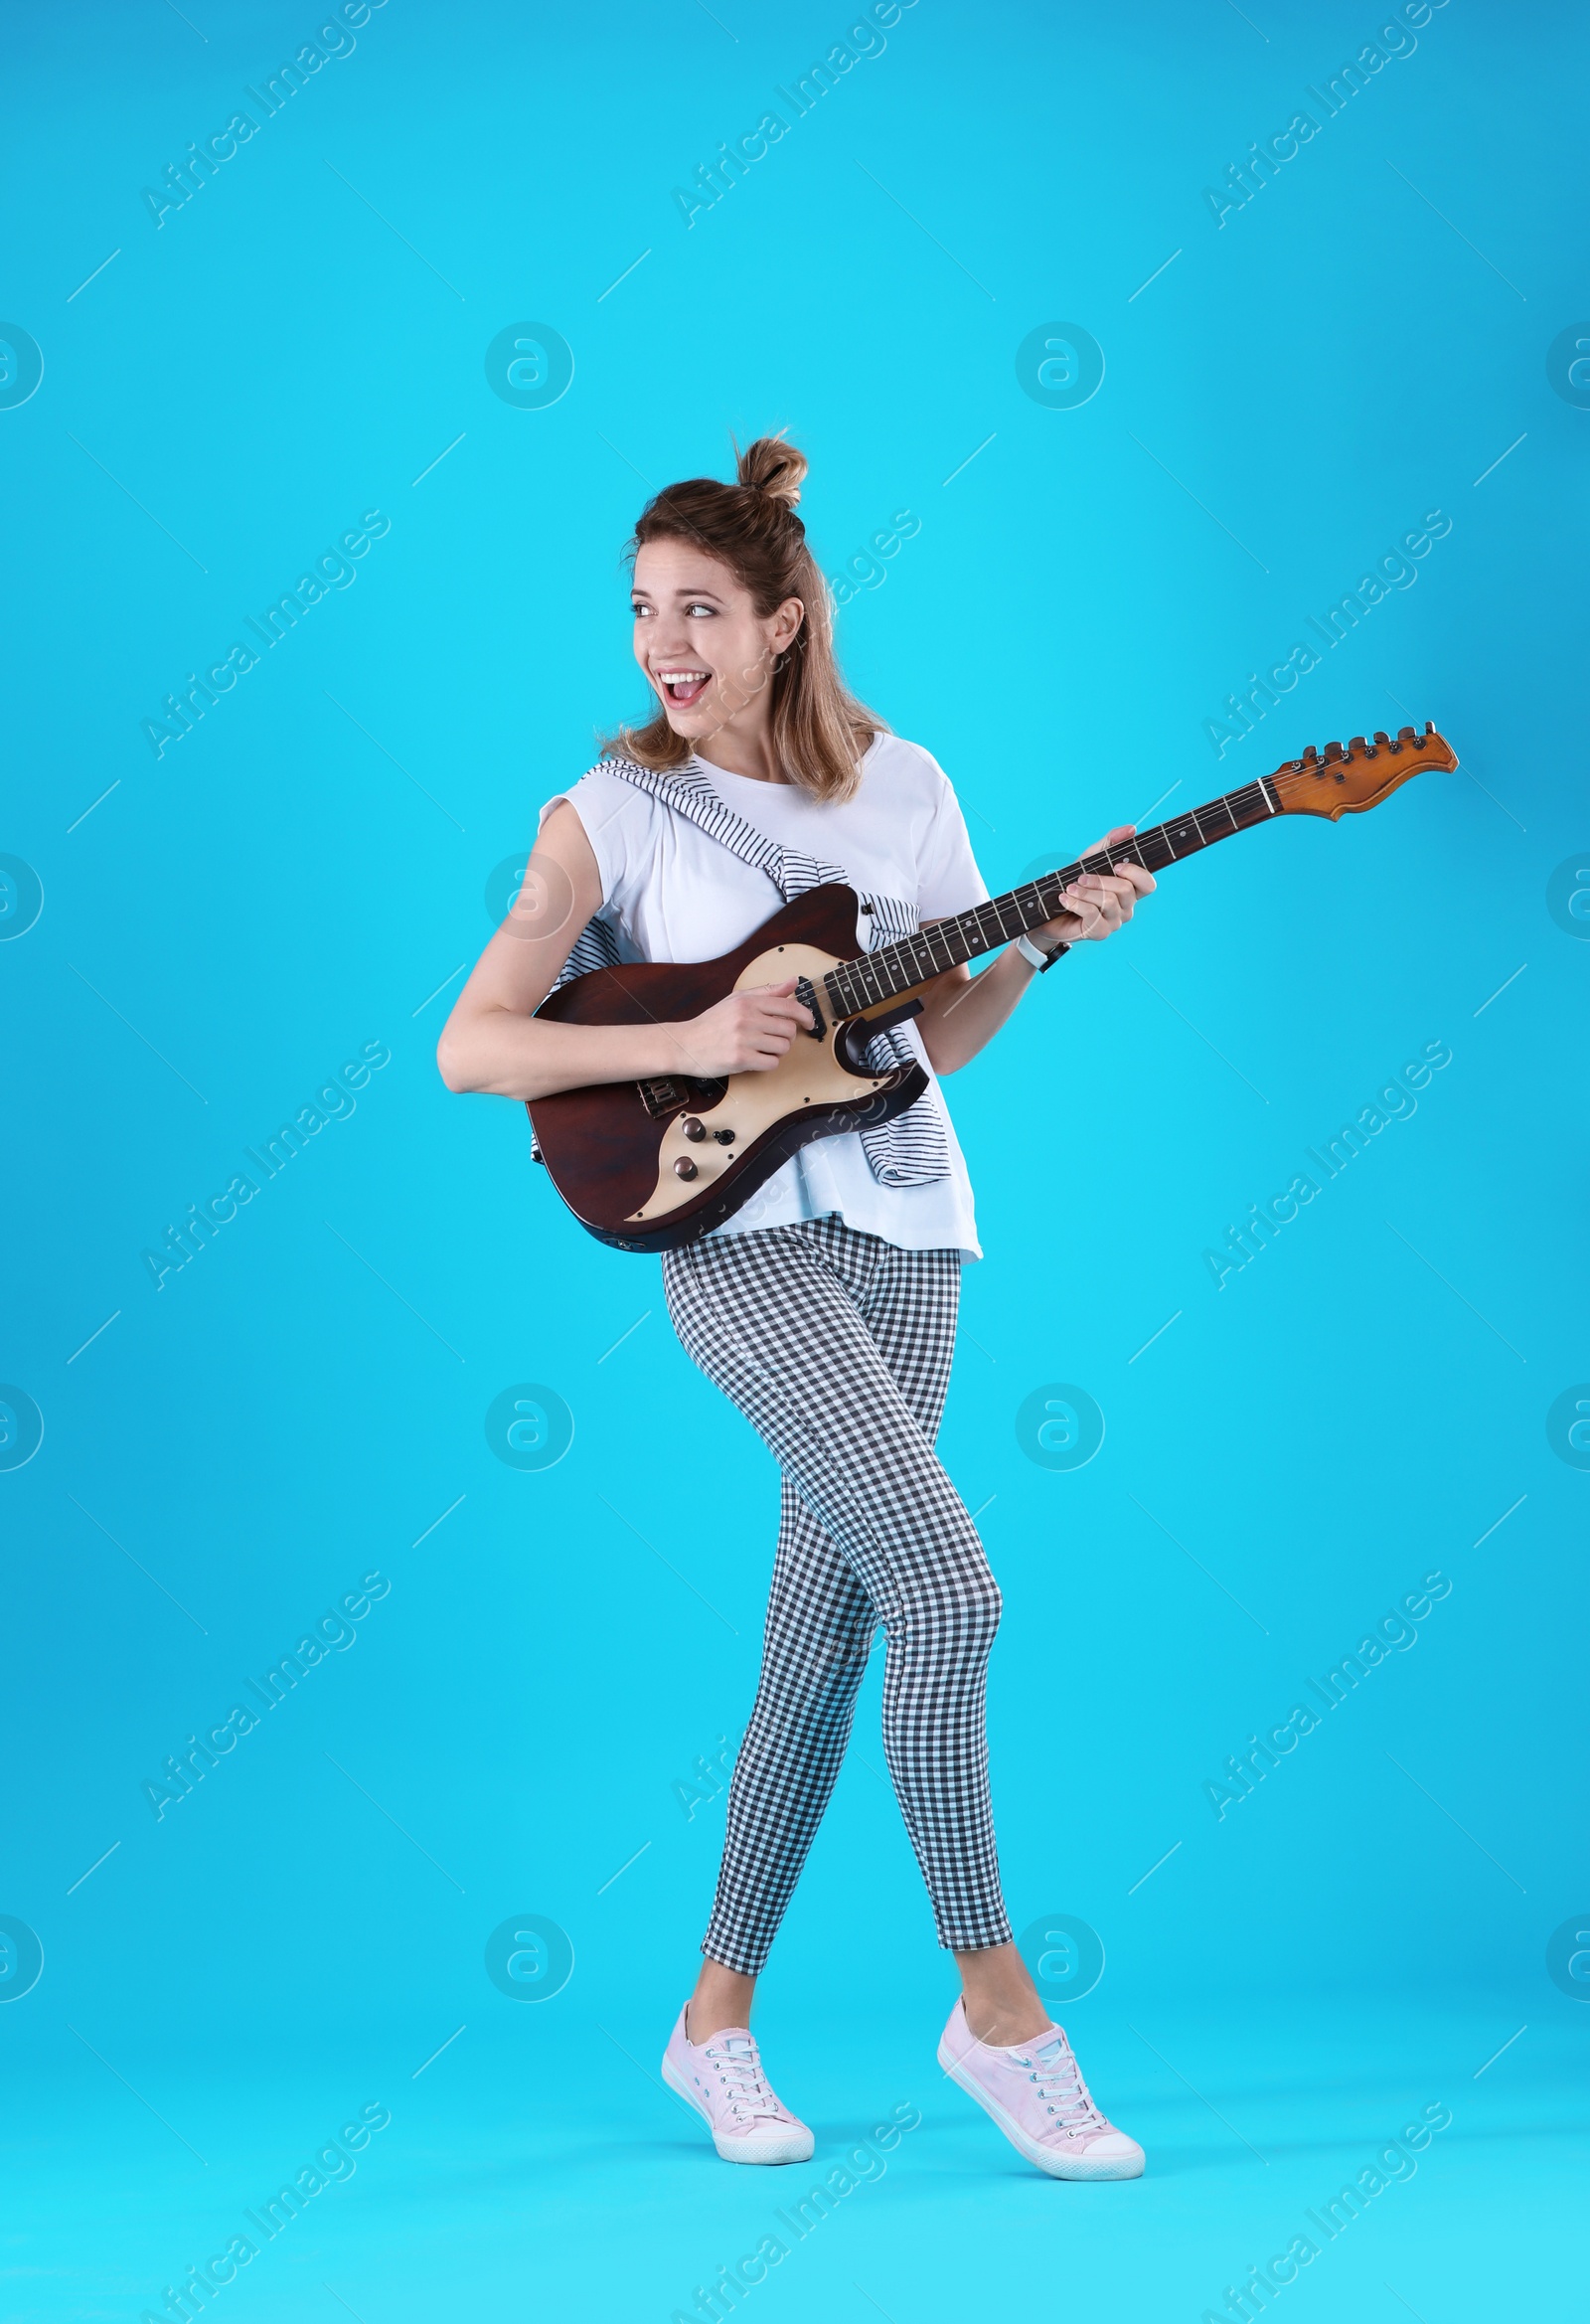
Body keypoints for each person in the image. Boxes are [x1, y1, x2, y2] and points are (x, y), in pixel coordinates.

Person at [437, 434, 1155, 2180]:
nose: (659, 644)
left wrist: (1038, 945)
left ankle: (713, 2024)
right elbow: (475, 1044)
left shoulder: (902, 790)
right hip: (733, 1241)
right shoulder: (606, 813)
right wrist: (689, 1035)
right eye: (639, 611)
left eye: (697, 609)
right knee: (949, 1582)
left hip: (910, 1227)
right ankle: (999, 2010)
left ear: (783, 621)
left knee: (825, 1635)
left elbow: (931, 1045)